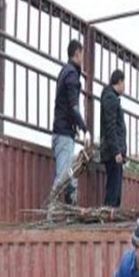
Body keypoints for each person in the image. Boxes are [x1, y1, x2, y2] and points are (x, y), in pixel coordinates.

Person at [50, 38, 89, 206]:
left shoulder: (64, 72)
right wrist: (84, 128)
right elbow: (73, 106)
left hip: (64, 132)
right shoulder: (72, 74)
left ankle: (69, 212)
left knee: (70, 178)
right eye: (82, 54)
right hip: (64, 134)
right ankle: (49, 211)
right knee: (63, 177)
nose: (83, 58)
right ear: (77, 53)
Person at [100, 68, 127, 208]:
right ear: (120, 81)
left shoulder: (111, 97)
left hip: (113, 152)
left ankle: (111, 213)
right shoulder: (110, 98)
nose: (125, 87)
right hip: (112, 153)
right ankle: (109, 215)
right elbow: (110, 127)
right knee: (113, 190)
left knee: (115, 188)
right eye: (124, 83)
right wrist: (117, 151)